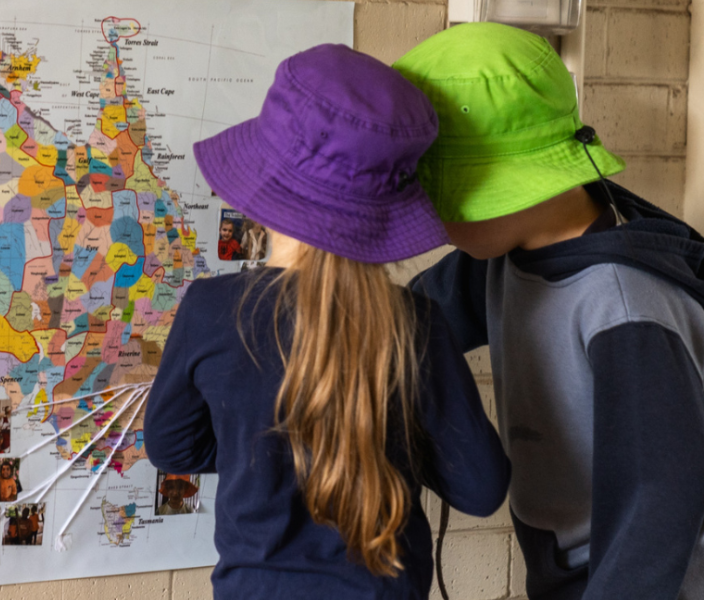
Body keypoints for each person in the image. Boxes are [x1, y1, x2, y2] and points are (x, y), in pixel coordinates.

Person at [144, 44, 510, 600]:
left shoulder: (209, 310)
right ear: (383, 212)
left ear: (262, 191)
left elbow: (172, 449)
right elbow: (482, 490)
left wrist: (267, 445)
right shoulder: (416, 325)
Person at [393, 23, 704, 600]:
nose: (434, 223)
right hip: (565, 561)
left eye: (445, 200)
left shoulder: (627, 307)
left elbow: (658, 510)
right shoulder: (505, 251)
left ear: (519, 188)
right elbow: (406, 321)